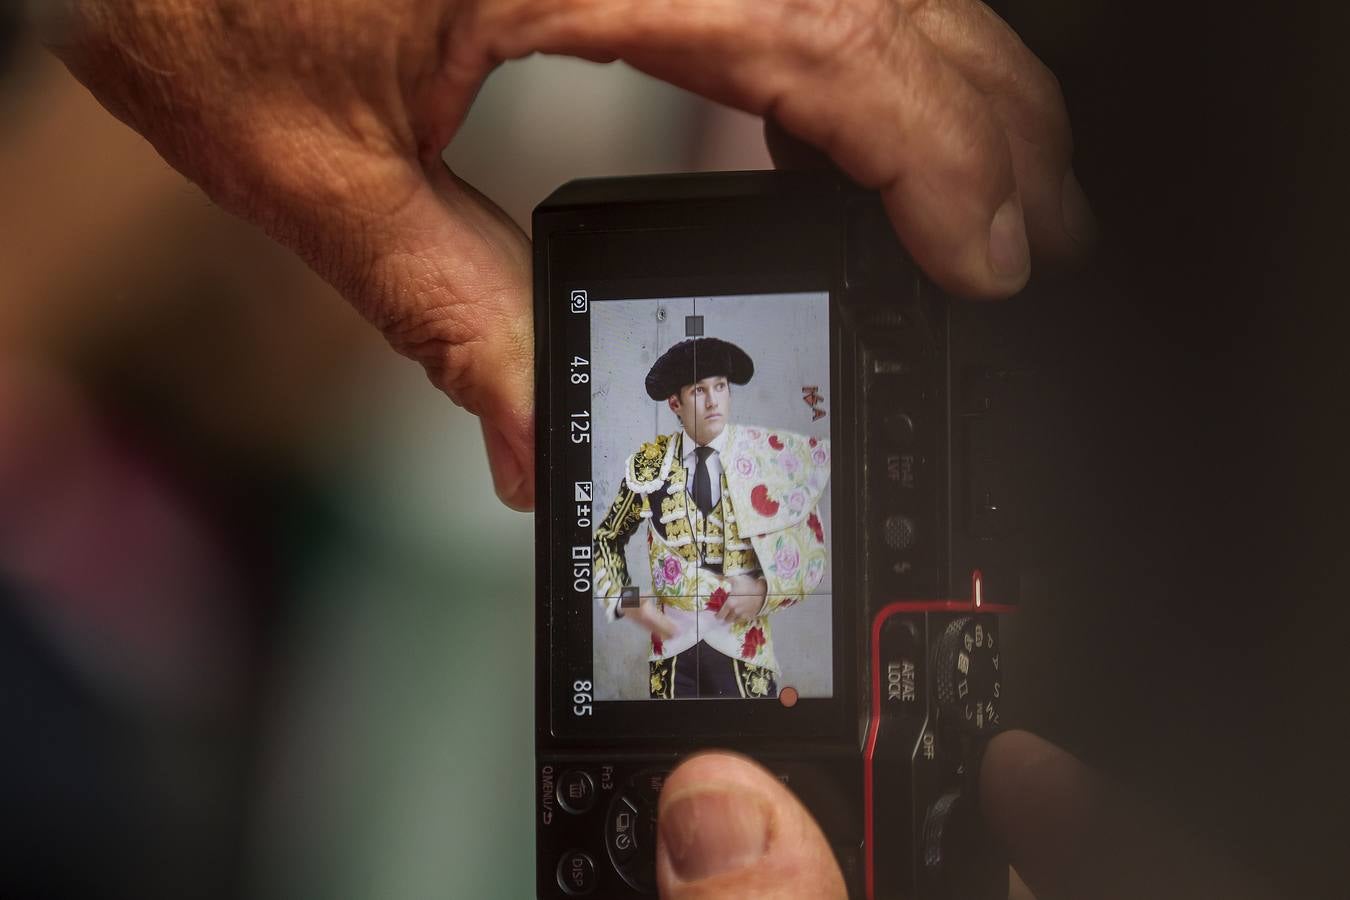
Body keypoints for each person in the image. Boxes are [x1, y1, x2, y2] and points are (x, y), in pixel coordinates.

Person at [34, 2, 1286, 899]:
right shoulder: (634, 466)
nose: (694, 407)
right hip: (547, 655)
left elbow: (803, 570)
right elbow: (617, 553)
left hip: (762, 685)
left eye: (707, 394)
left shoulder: (780, 460)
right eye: (681, 392)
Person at [594, 337, 830, 699]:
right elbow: (605, 540)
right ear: (675, 402)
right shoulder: (651, 464)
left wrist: (764, 591)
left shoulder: (765, 456)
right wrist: (628, 601)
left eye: (720, 386)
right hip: (672, 648)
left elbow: (810, 549)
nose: (713, 400)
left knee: (751, 749)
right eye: (698, 390)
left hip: (744, 646)